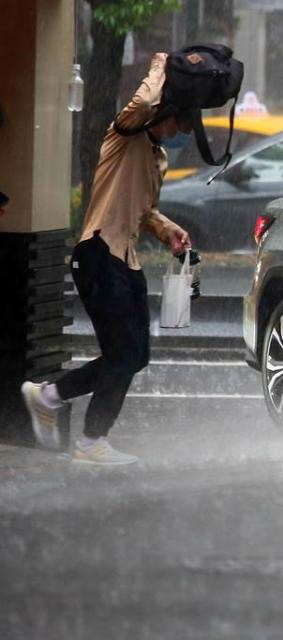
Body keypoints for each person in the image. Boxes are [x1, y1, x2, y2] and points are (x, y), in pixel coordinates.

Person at [21, 52, 192, 465]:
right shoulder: (125, 134)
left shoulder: (157, 157)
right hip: (98, 252)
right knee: (122, 354)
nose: (177, 132)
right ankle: (89, 438)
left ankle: (49, 396)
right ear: (163, 114)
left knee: (136, 355)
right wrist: (159, 67)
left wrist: (168, 230)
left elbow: (143, 210)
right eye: (176, 123)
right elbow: (146, 104)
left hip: (126, 259)